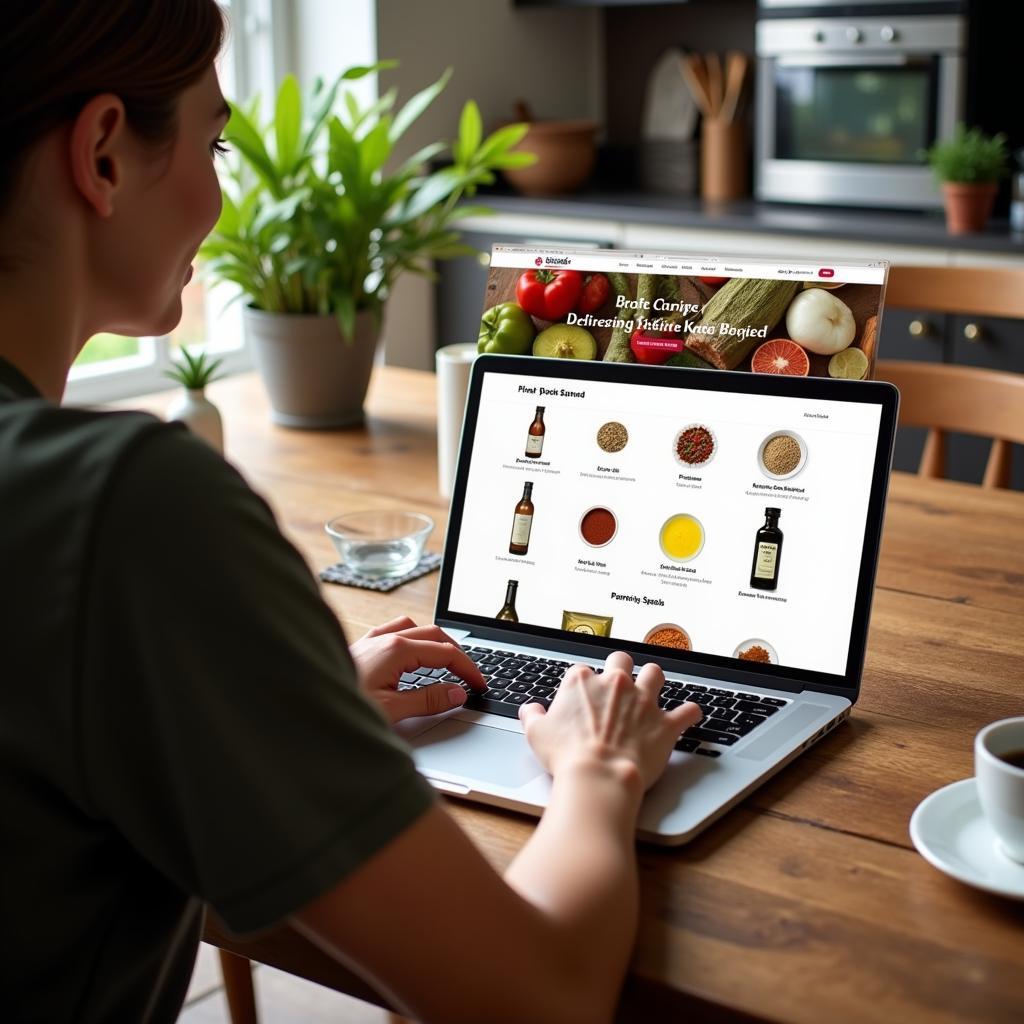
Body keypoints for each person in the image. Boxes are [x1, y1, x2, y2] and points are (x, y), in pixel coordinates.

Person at [0, 3, 702, 1022]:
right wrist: (599, 766)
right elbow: (538, 999)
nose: (222, 188)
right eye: (215, 141)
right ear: (103, 154)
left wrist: (274, 711)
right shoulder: (123, 507)